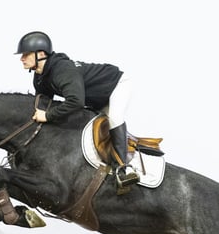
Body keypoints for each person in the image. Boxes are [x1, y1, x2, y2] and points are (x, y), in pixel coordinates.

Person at [16, 31, 139, 192]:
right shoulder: (40, 78)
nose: (21, 58)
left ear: (40, 54)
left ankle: (124, 169)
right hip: (95, 98)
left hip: (116, 85)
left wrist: (47, 116)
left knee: (114, 118)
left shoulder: (62, 70)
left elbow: (76, 102)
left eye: (26, 54)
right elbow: (44, 105)